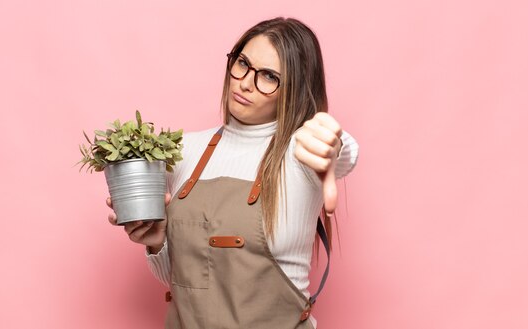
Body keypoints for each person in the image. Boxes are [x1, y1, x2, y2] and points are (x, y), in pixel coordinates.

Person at [106, 17, 359, 328]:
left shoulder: (300, 154)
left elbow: (343, 152)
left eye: (268, 76)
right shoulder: (185, 150)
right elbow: (187, 284)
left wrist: (332, 143)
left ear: (294, 89)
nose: (245, 82)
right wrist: (156, 243)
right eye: (243, 63)